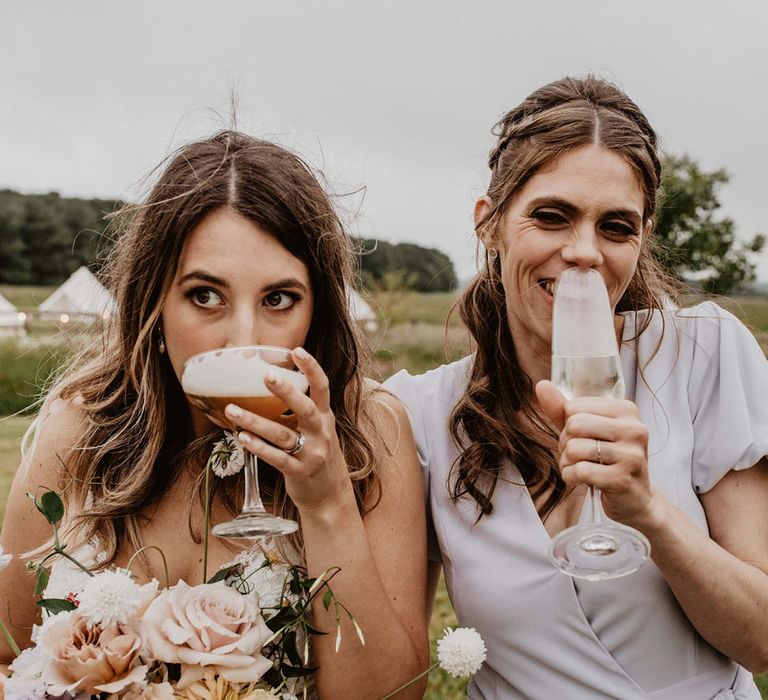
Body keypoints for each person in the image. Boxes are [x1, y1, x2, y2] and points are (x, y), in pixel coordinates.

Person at [0, 132, 428, 698]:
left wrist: (326, 504)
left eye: (279, 300)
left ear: (318, 311)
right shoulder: (79, 430)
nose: (242, 340)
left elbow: (391, 695)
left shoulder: (372, 432)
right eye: (206, 295)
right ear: (153, 301)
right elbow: (9, 654)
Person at [385, 76, 768, 699]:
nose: (584, 251)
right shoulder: (419, 415)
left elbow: (761, 640)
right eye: (552, 216)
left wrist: (649, 514)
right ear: (490, 224)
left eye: (616, 226)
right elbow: (394, 667)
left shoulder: (704, 353)